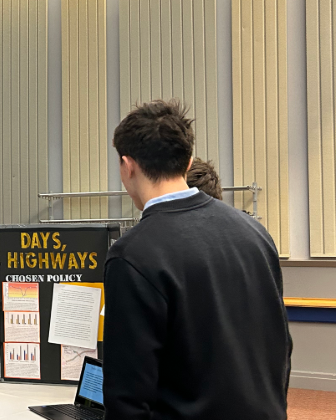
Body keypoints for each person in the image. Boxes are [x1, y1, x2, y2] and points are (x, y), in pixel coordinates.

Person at [103, 99, 291, 419]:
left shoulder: (132, 255)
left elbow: (128, 396)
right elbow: (281, 348)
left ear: (127, 165)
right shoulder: (256, 234)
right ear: (188, 161)